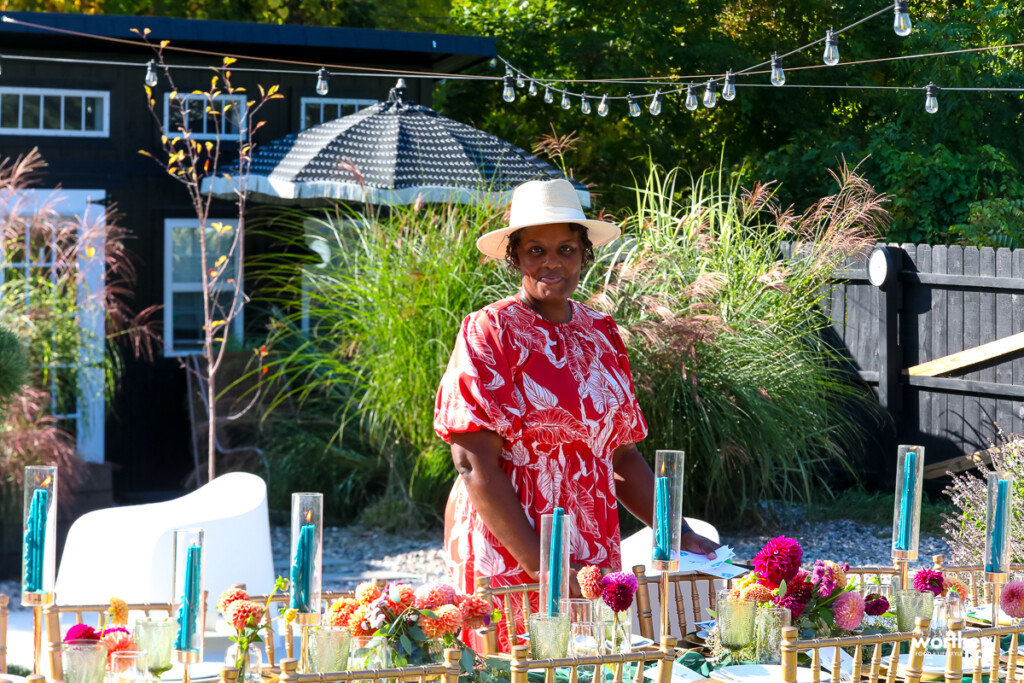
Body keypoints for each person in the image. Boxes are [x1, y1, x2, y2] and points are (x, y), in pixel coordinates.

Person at [433, 178, 719, 651]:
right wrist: (543, 565)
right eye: (535, 249)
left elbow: (622, 455)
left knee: (585, 660)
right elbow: (471, 462)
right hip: (510, 538)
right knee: (514, 663)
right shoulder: (489, 331)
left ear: (585, 254)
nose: (551, 261)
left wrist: (676, 528)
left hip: (589, 536)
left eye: (565, 248)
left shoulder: (601, 333)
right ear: (515, 257)